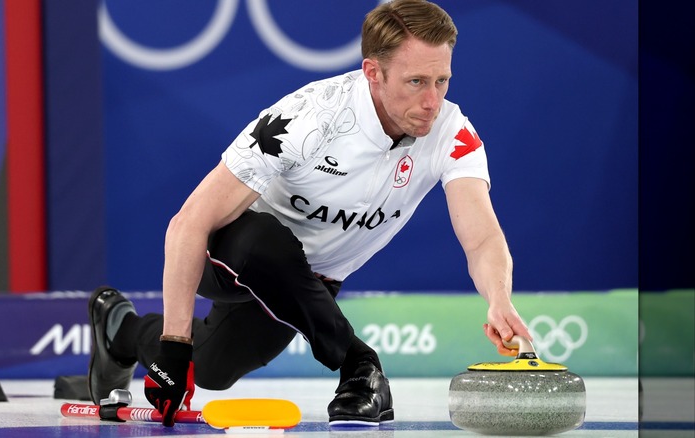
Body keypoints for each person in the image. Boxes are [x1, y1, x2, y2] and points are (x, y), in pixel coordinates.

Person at [88, 0, 532, 428]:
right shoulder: (309, 117)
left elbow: (481, 238)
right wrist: (173, 346)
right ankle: (360, 364)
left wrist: (499, 300)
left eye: (442, 81)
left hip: (309, 285)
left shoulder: (452, 134)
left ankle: (119, 329)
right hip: (228, 255)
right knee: (264, 241)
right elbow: (189, 224)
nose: (432, 101)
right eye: (416, 82)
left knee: (210, 370)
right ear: (373, 73)